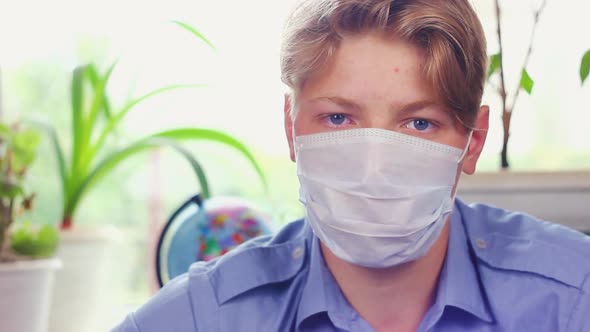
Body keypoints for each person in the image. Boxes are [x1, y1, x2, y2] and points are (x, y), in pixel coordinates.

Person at [113, 0, 590, 331]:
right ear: (290, 126)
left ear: (473, 140)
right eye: (338, 117)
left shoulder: (572, 298)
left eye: (419, 123)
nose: (373, 169)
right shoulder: (209, 316)